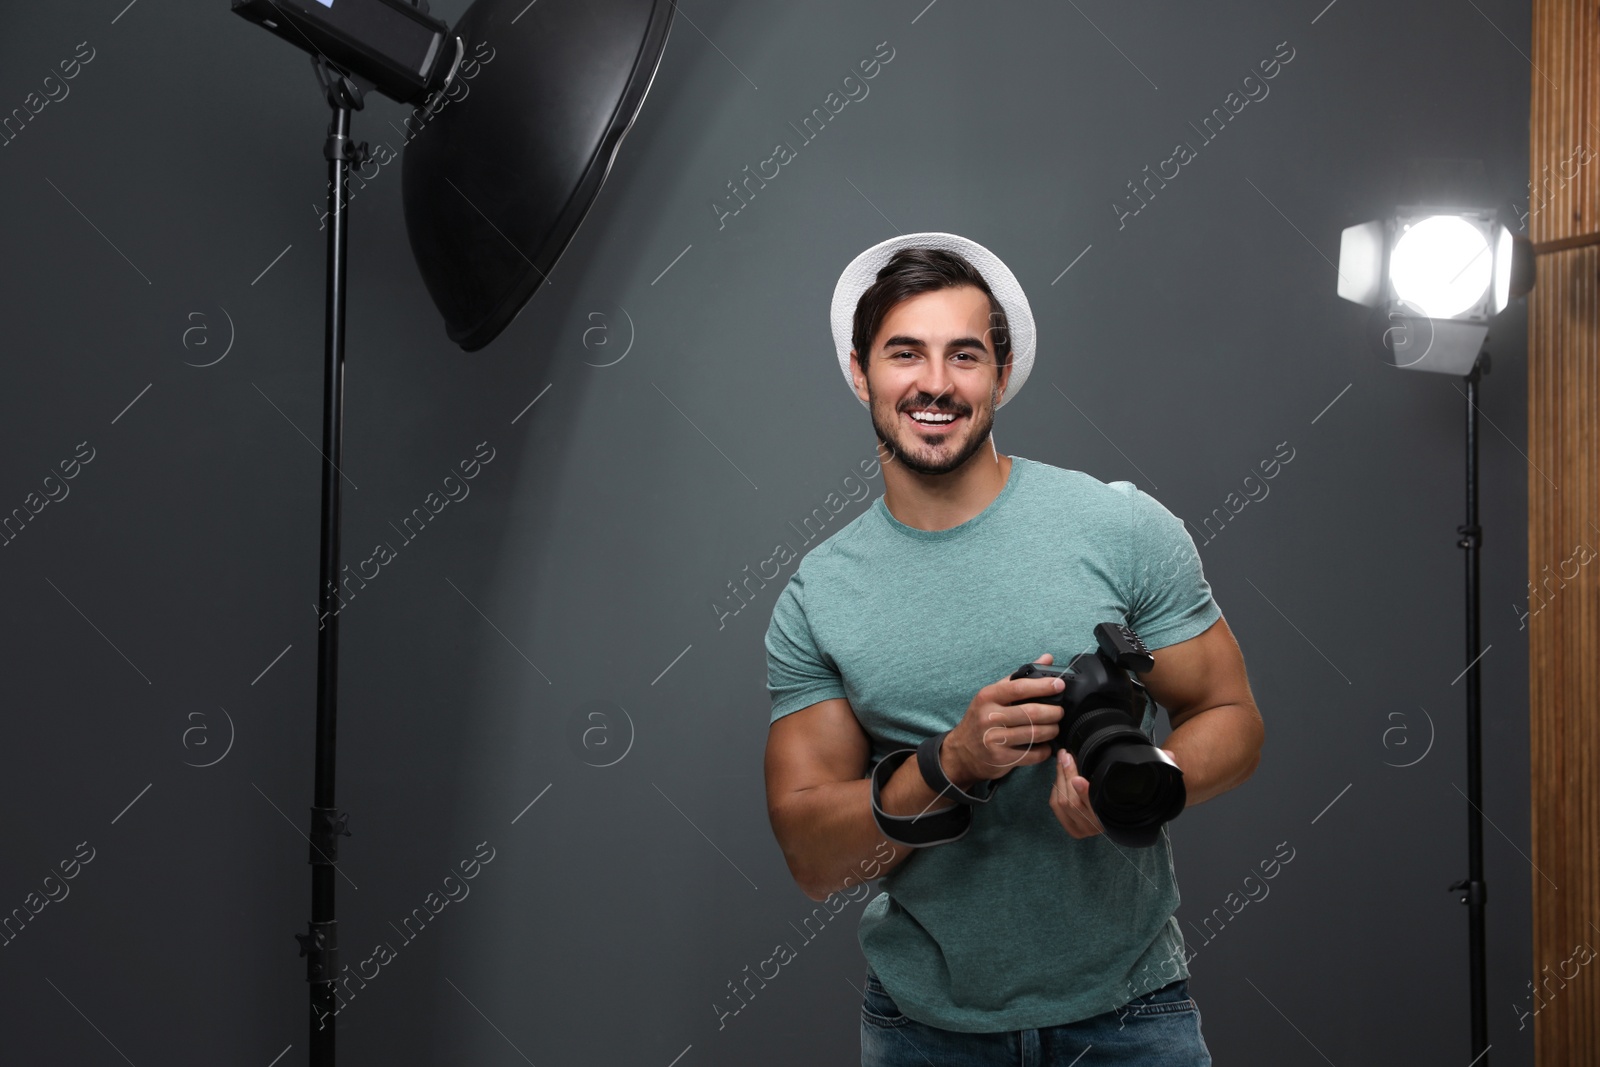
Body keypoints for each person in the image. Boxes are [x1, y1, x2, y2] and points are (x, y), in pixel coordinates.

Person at [762, 233, 1265, 1066]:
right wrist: (954, 760)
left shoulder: (1120, 527)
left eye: (964, 354)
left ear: (1000, 373)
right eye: (904, 354)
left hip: (1131, 1015)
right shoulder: (820, 597)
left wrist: (1151, 782)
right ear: (860, 372)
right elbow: (814, 857)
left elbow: (1232, 714)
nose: (934, 382)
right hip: (926, 1032)